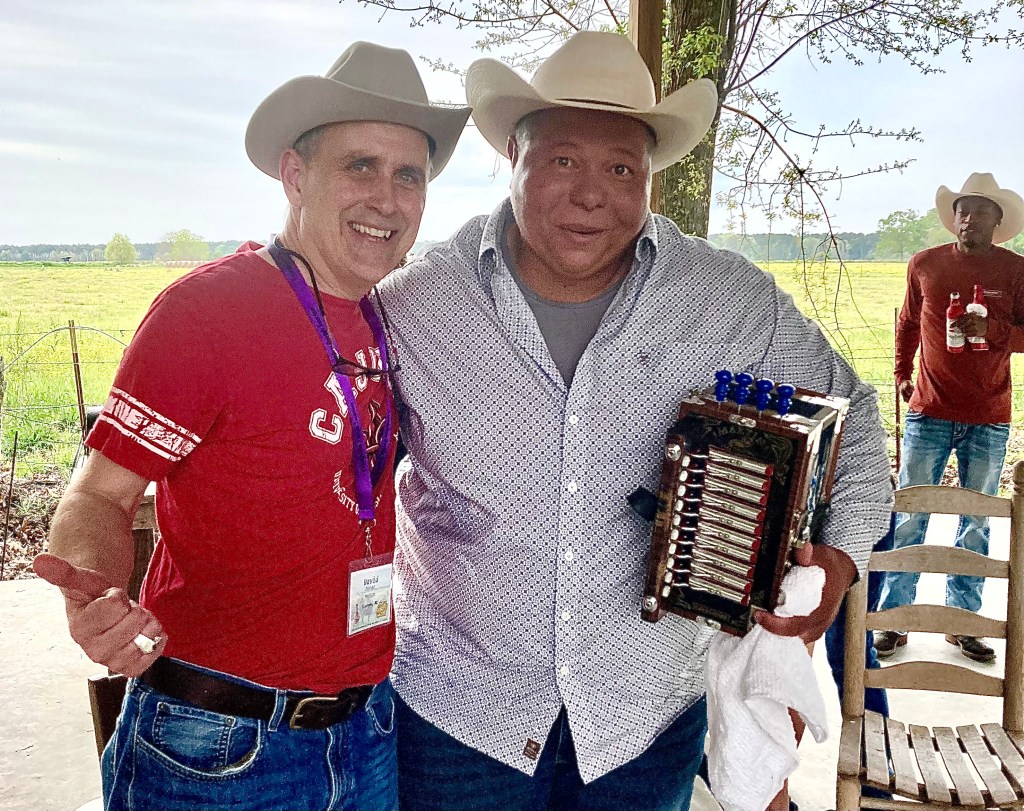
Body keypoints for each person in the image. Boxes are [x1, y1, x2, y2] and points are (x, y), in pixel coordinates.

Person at [375, 31, 893, 811]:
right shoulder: (416, 302)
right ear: (513, 155)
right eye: (563, 160)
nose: (592, 195)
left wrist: (841, 561)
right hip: (457, 718)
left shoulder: (727, 299)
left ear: (650, 177)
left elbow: (855, 416)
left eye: (622, 169)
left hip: (643, 726)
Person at [33, 42, 469, 811]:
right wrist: (94, 594)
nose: (387, 198)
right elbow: (99, 493)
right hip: (218, 745)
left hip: (365, 730)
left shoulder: (386, 313)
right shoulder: (208, 312)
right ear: (294, 174)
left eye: (409, 175)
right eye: (360, 166)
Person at [876, 173, 1024, 664]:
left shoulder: (1015, 271)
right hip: (928, 412)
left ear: (998, 221)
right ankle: (895, 619)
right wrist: (902, 373)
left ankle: (963, 624)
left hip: (989, 416)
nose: (969, 218)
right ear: (953, 217)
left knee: (976, 523)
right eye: (963, 210)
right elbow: (908, 324)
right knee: (910, 515)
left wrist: (994, 328)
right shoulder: (926, 264)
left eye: (980, 211)